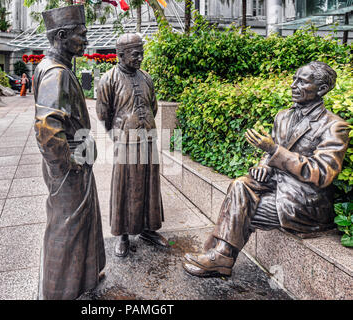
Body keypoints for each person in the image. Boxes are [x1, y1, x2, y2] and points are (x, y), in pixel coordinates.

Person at [182, 61, 350, 278]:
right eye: (294, 79)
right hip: (275, 185)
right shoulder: (283, 116)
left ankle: (220, 256)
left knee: (240, 211)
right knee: (239, 185)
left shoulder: (335, 126)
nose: (293, 85)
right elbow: (271, 154)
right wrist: (263, 164)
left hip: (304, 200)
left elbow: (322, 172)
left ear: (322, 89)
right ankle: (220, 256)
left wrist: (273, 150)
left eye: (302, 81)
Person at [33, 5, 105, 300]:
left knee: (80, 223)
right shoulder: (56, 74)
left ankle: (81, 281)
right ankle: (58, 292)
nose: (86, 41)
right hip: (69, 171)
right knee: (67, 228)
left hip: (75, 166)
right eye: (81, 35)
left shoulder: (50, 67)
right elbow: (46, 129)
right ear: (61, 36)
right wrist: (71, 161)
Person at [96, 33, 167, 258]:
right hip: (125, 142)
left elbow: (153, 106)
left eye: (141, 53)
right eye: (136, 54)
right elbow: (102, 114)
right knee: (124, 188)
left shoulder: (146, 78)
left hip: (148, 139)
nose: (140, 58)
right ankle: (123, 234)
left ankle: (148, 229)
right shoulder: (109, 79)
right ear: (121, 55)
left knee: (150, 186)